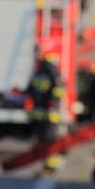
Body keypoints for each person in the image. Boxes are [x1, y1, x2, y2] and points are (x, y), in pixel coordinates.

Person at [27, 45, 65, 176]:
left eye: (38, 52)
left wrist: (52, 106)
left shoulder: (49, 69)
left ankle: (51, 167)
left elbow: (58, 89)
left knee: (50, 140)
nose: (36, 54)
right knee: (43, 139)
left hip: (50, 113)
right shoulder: (40, 69)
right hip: (42, 112)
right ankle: (46, 166)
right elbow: (34, 88)